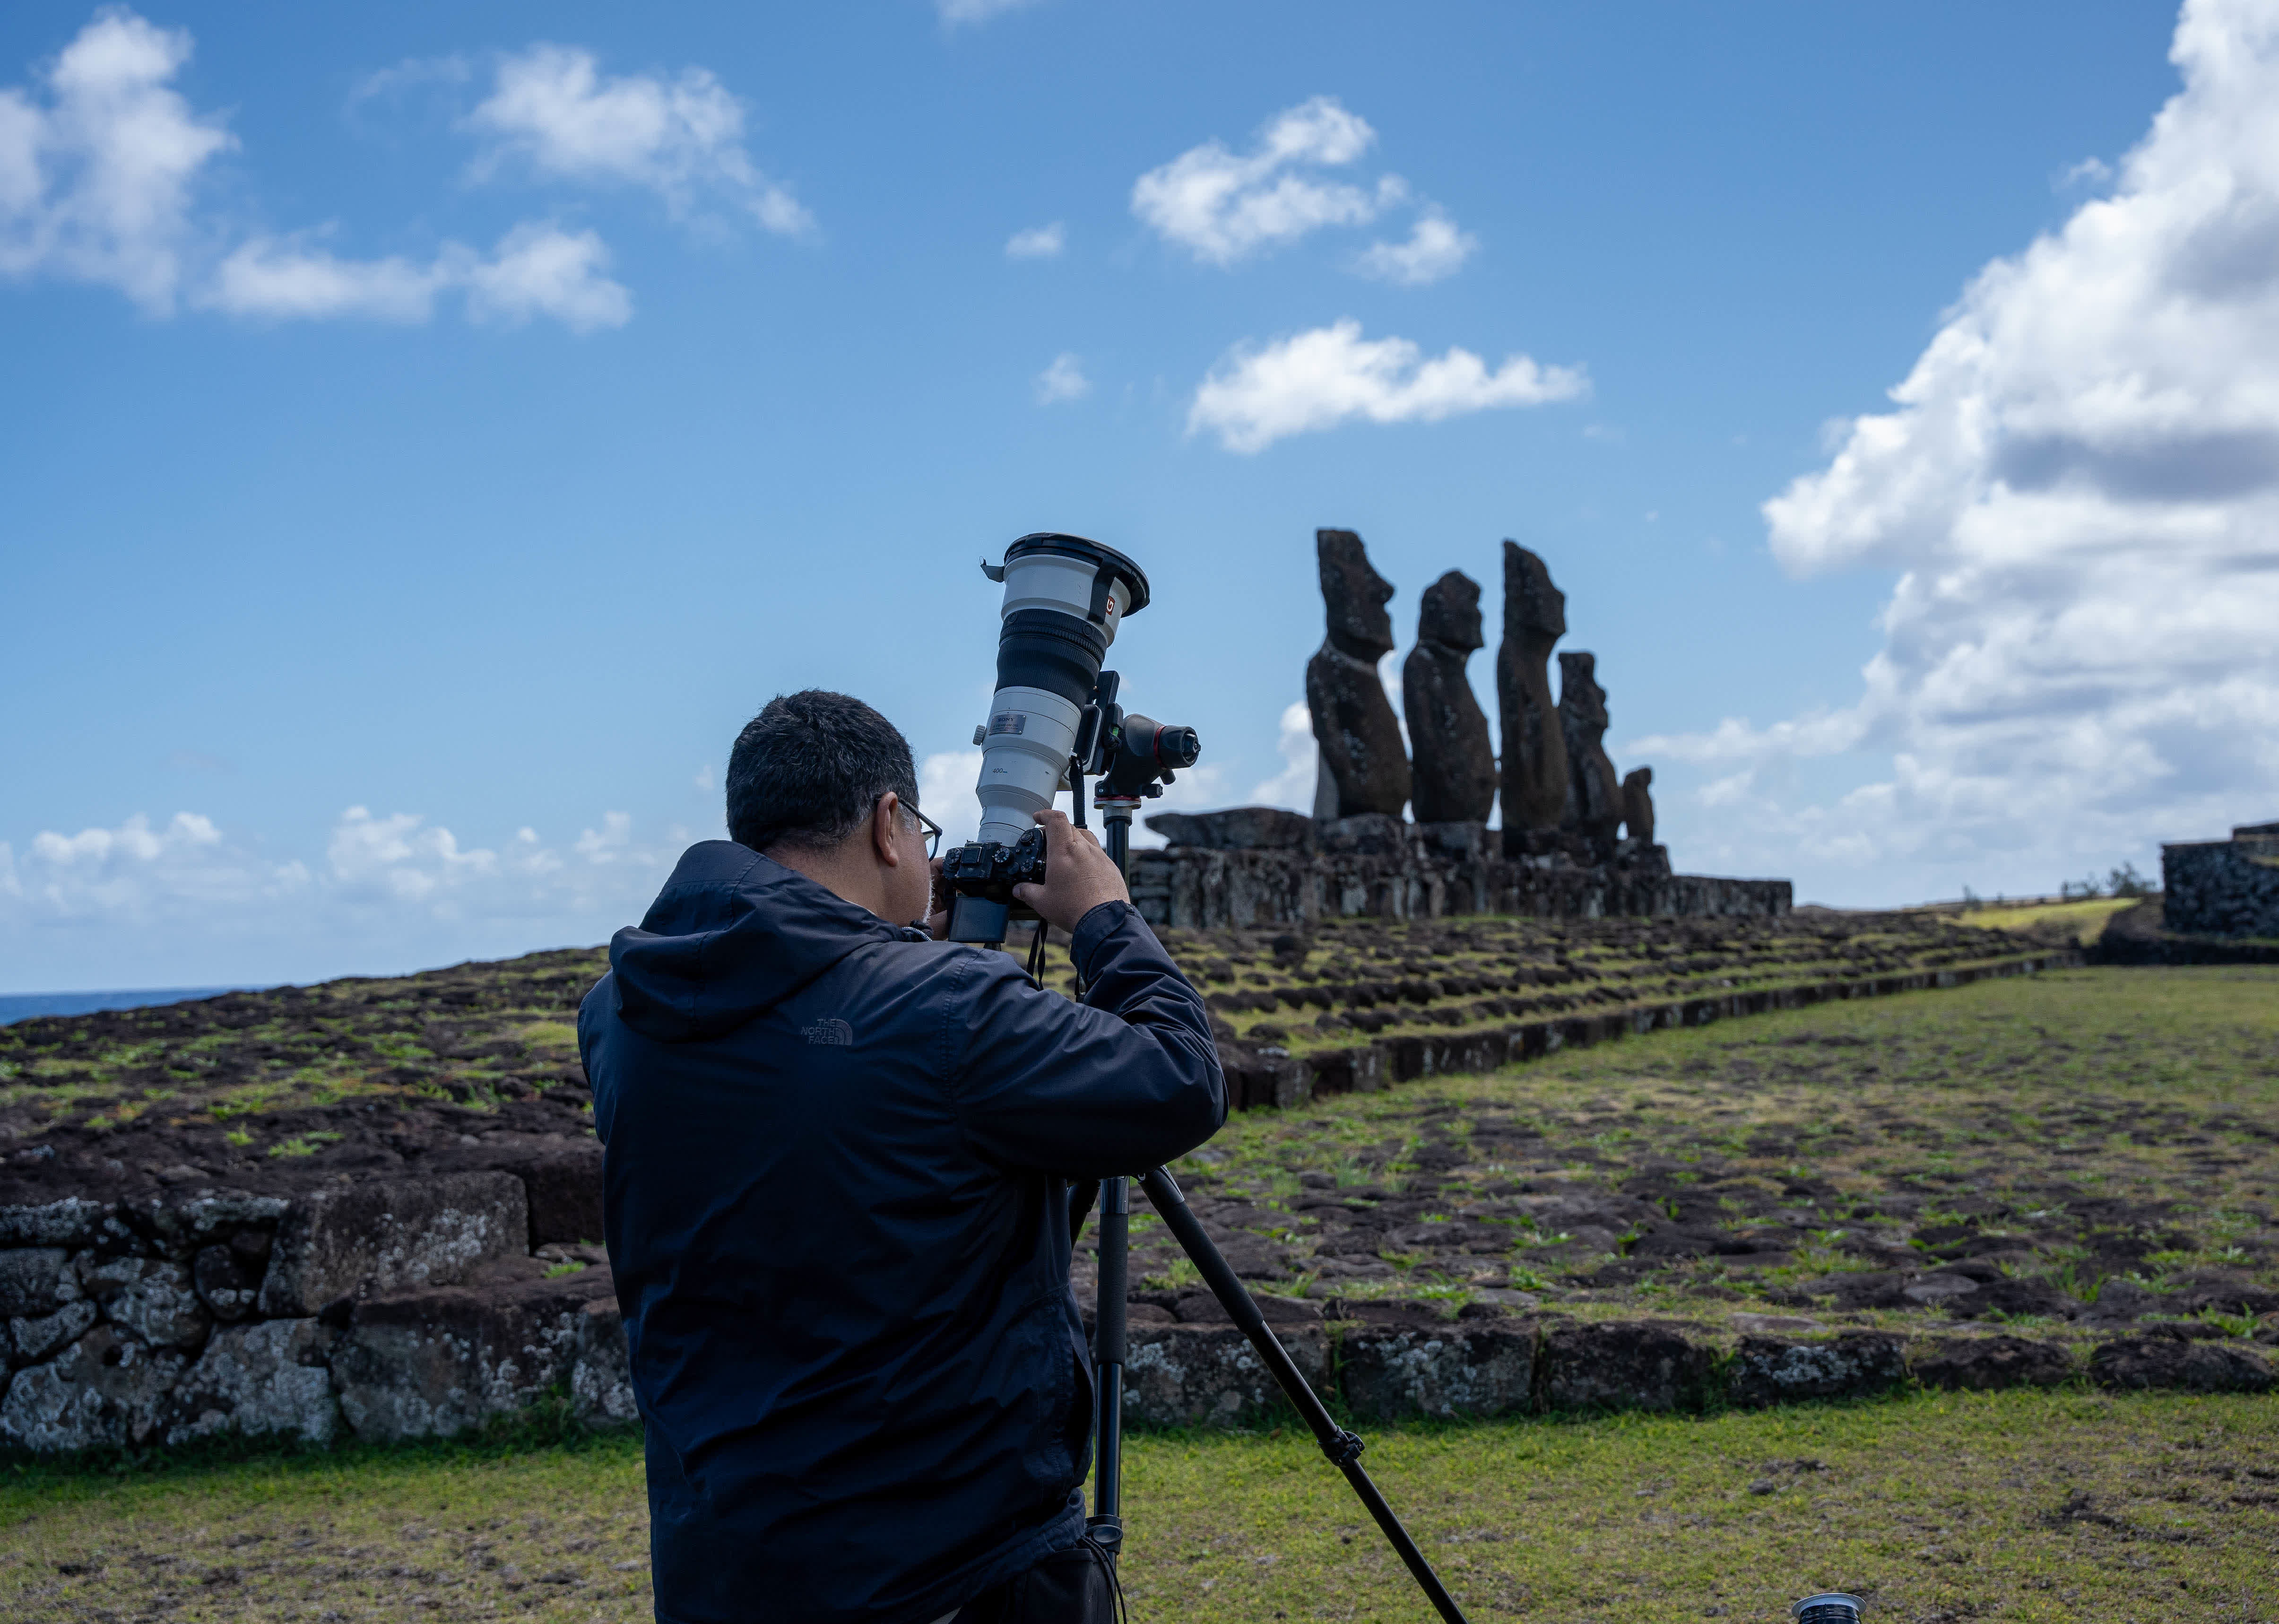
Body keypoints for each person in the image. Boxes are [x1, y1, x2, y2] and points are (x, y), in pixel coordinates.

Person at [578, 690, 1225, 1624]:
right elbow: (1180, 1079)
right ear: (889, 823)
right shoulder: (946, 1008)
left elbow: (817, 1092)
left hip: (724, 1565)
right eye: (919, 831)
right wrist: (1104, 919)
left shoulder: (619, 1012)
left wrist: (885, 951)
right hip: (957, 1575)